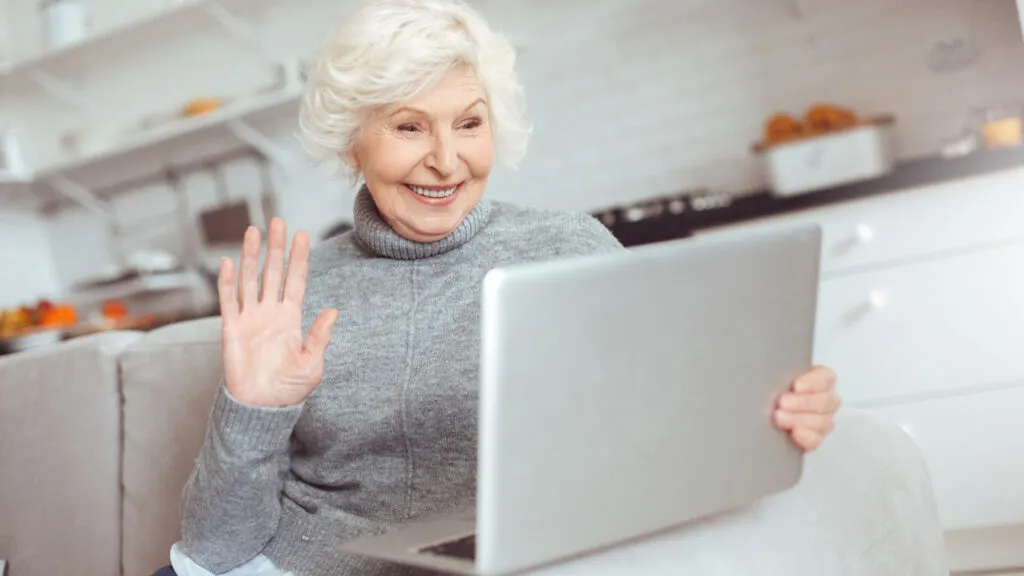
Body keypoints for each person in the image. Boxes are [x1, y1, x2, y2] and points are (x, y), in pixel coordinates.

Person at [160, 1, 842, 575]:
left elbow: (668, 428)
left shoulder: (567, 249)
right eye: (408, 126)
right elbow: (216, 553)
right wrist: (250, 407)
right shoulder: (293, 293)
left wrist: (773, 410)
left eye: (469, 122)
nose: (447, 160)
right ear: (351, 142)